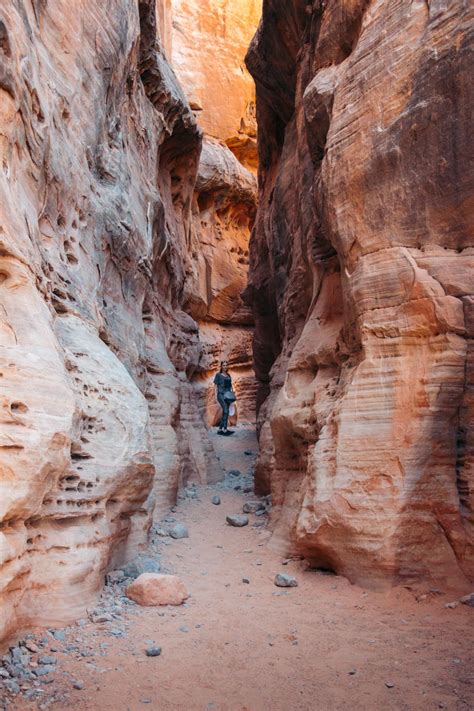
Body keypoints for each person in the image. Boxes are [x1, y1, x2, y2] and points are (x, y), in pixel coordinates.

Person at [213, 360, 235, 436]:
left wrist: (232, 394)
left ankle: (220, 429)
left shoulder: (228, 375)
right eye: (224, 365)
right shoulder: (218, 375)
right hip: (221, 395)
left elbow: (230, 386)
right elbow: (215, 386)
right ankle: (225, 430)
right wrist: (215, 396)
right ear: (221, 366)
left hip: (228, 395)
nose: (225, 366)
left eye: (226, 365)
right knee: (226, 410)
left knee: (225, 412)